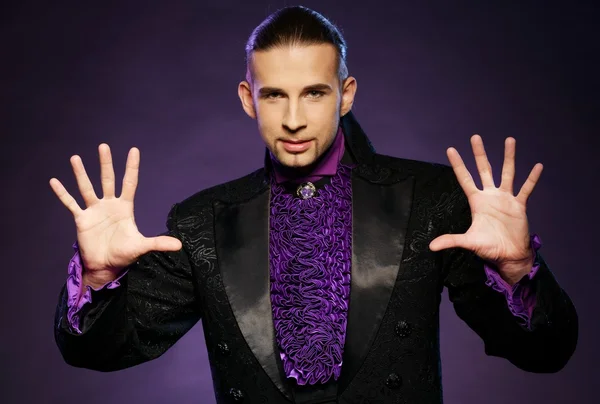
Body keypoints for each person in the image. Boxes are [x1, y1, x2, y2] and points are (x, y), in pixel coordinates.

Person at [51, 5, 578, 404]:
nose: (295, 119)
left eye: (315, 93)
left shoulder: (431, 198)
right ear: (246, 98)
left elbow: (544, 353)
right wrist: (96, 281)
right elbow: (101, 353)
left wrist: (518, 269)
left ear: (346, 94)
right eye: (275, 95)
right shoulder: (201, 221)